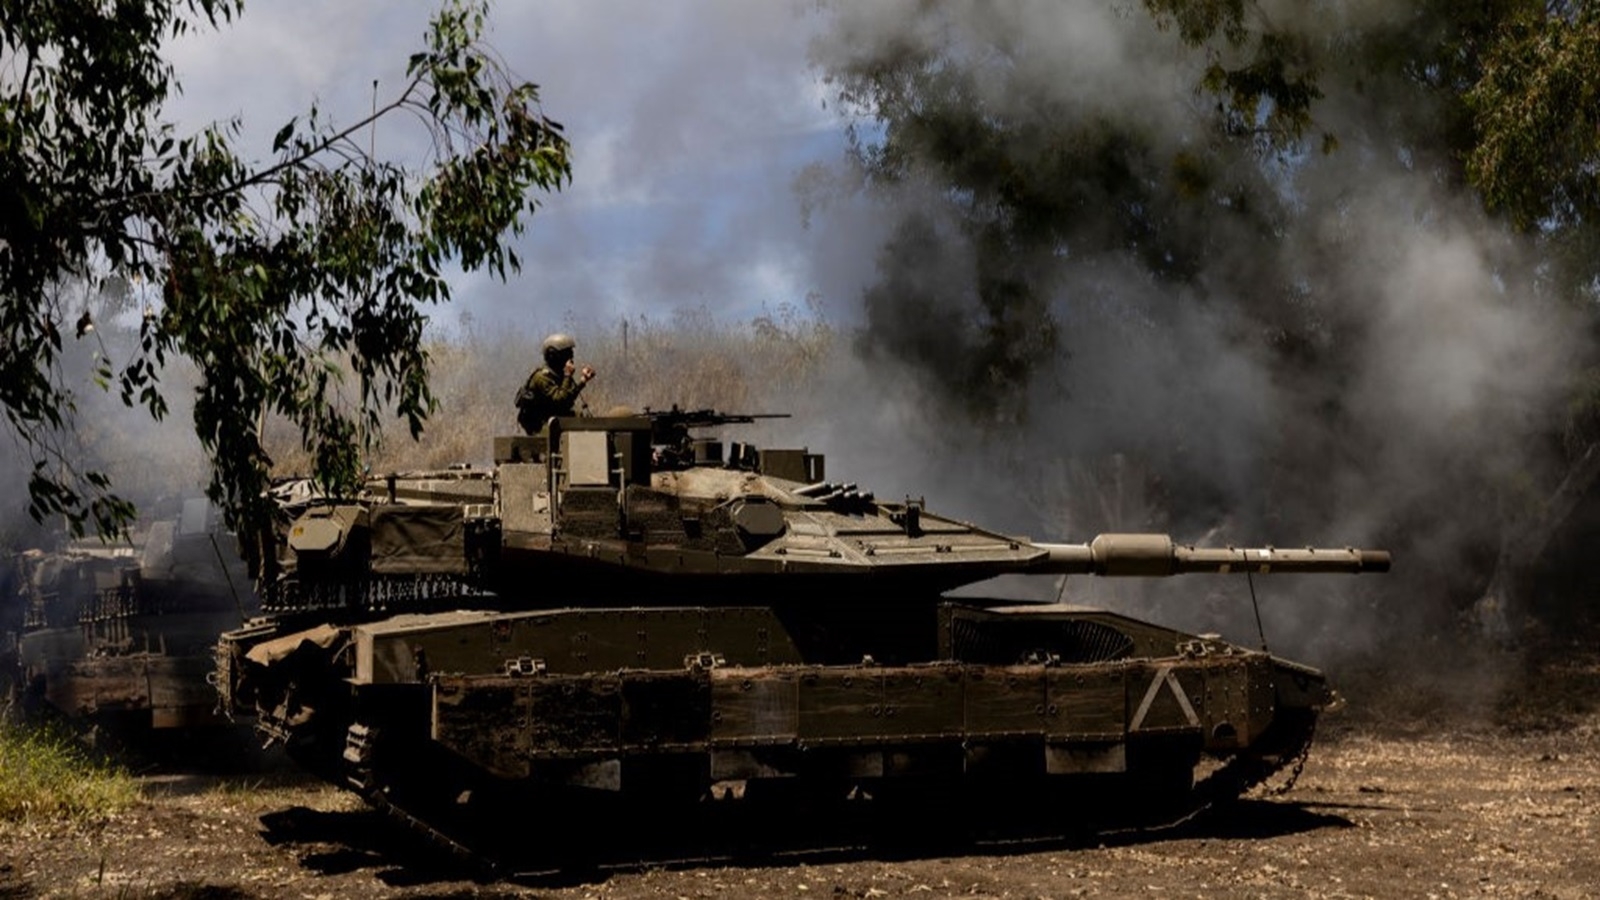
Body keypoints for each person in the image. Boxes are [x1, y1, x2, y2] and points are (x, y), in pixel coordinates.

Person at [515, 332, 596, 434]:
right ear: (554, 356)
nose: (570, 359)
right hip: (540, 426)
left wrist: (583, 380)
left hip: (553, 420)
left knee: (582, 419)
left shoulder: (558, 374)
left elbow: (567, 398)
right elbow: (560, 401)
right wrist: (567, 375)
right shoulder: (541, 377)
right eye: (567, 354)